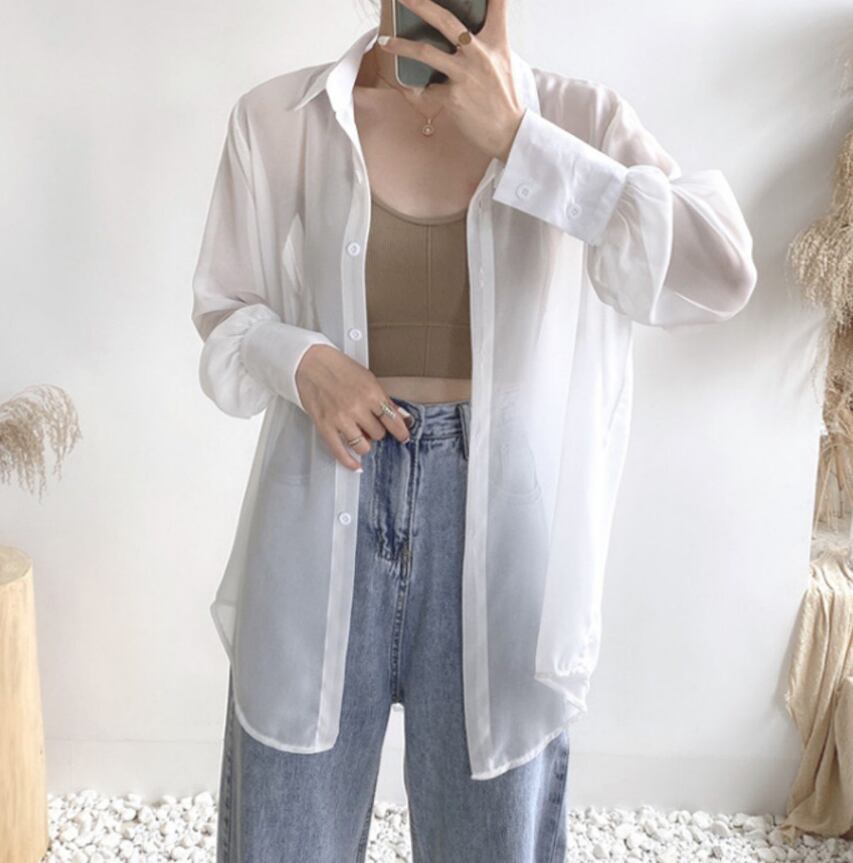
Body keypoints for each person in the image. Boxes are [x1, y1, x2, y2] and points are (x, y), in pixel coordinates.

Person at [191, 0, 758, 860]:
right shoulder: (283, 117)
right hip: (318, 508)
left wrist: (524, 141)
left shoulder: (577, 118)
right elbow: (226, 308)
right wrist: (301, 359)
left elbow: (720, 273)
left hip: (501, 537)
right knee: (284, 835)